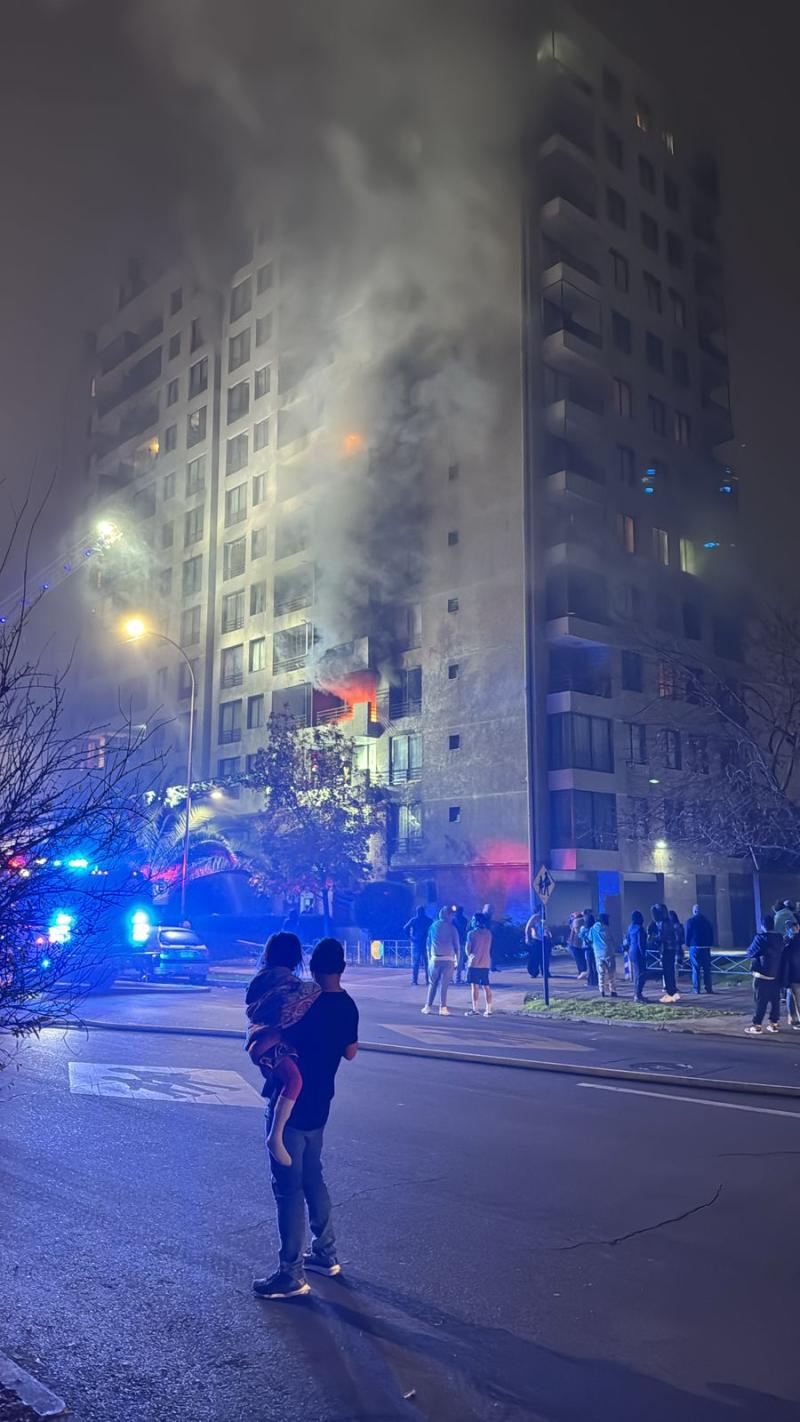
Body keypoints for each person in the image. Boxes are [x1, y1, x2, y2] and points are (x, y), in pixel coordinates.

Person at [253, 937, 358, 1301]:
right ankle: (326, 1253)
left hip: (290, 1105)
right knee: (313, 1176)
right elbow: (350, 1053)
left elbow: (272, 1036)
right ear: (342, 967)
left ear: (312, 967)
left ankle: (291, 1273)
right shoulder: (347, 1005)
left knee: (288, 1188)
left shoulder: (305, 1005)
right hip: (321, 1104)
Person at [245, 932, 320, 1166]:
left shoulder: (261, 979)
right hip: (271, 1040)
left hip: (260, 1037)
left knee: (286, 1079)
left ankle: (276, 1133)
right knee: (294, 1080)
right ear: (296, 958)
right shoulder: (289, 984)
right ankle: (275, 1136)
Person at [744, 914, 784, 1035]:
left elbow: (750, 952)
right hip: (776, 974)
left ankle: (757, 1025)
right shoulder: (779, 938)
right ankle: (774, 1024)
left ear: (762, 926)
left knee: (760, 1001)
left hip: (762, 974)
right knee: (775, 1000)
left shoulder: (760, 938)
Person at [422, 906, 459, 1015]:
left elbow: (428, 943)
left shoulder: (433, 926)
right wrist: (457, 961)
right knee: (444, 985)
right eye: (451, 915)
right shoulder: (452, 928)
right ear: (448, 915)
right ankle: (443, 1007)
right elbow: (457, 946)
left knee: (432, 983)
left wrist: (429, 957)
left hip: (435, 959)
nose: (452, 917)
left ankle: (428, 1006)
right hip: (449, 959)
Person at [649, 903, 680, 1004]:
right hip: (670, 949)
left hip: (667, 950)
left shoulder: (663, 924)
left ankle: (670, 994)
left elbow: (662, 937)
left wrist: (654, 938)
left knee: (668, 972)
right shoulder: (668, 922)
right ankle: (673, 993)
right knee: (670, 971)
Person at [465, 911, 493, 1016]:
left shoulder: (471, 934)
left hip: (474, 963)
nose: (472, 921)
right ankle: (488, 1009)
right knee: (486, 986)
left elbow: (468, 950)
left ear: (476, 921)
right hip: (486, 962)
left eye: (473, 920)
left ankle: (475, 1009)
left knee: (474, 987)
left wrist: (469, 955)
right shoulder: (488, 933)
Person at [684, 904, 715, 994]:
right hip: (706, 947)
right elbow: (711, 934)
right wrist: (709, 944)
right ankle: (708, 988)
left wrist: (687, 944)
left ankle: (696, 988)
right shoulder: (707, 922)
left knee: (695, 968)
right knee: (707, 969)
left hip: (695, 947)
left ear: (694, 911)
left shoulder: (690, 921)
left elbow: (687, 934)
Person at [589, 912, 618, 997]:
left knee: (601, 973)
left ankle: (602, 991)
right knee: (611, 973)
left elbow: (589, 938)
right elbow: (614, 940)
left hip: (598, 954)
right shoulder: (607, 929)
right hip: (609, 953)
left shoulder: (592, 929)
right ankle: (613, 991)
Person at [623, 910, 648, 1003]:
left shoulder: (630, 927)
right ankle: (638, 995)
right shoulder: (640, 929)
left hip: (632, 951)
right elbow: (641, 943)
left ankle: (637, 994)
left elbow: (628, 940)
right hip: (638, 952)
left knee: (637, 974)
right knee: (641, 974)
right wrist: (643, 954)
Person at [404, 906, 432, 986]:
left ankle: (415, 980)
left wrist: (410, 938)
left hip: (417, 942)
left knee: (416, 963)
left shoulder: (414, 920)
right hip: (425, 942)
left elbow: (405, 928)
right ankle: (428, 980)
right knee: (427, 963)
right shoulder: (428, 920)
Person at [781, 920, 800, 1031]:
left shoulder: (788, 944)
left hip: (793, 976)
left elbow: (785, 962)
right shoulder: (789, 943)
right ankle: (794, 1019)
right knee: (794, 998)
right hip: (794, 975)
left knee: (794, 998)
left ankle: (794, 1020)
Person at [524, 912, 552, 983]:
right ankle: (533, 972)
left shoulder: (544, 919)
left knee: (545, 957)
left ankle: (545, 972)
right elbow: (528, 927)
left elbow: (547, 930)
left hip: (544, 940)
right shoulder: (535, 917)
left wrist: (549, 937)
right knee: (535, 957)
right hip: (537, 940)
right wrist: (527, 938)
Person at [567, 911, 588, 980]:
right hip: (583, 943)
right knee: (583, 959)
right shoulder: (585, 921)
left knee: (578, 959)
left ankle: (581, 972)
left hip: (575, 943)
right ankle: (584, 971)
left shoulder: (575, 922)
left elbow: (572, 933)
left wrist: (570, 941)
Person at [580, 910, 599, 988]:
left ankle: (591, 982)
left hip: (587, 949)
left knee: (590, 966)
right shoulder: (595, 929)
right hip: (595, 948)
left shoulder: (583, 929)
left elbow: (580, 936)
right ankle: (597, 980)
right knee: (595, 965)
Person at [453, 905, 470, 985]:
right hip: (461, 942)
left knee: (452, 961)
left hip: (453, 942)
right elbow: (466, 930)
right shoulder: (465, 920)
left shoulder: (453, 919)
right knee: (460, 961)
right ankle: (458, 978)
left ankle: (450, 978)